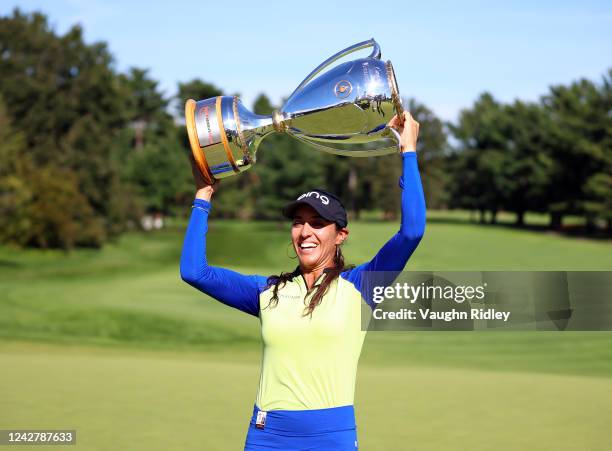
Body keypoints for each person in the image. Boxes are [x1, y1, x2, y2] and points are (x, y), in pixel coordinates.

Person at [180, 112, 426, 450]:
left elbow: (412, 231)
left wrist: (408, 151)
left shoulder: (361, 286)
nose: (305, 231)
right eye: (298, 222)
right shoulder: (268, 292)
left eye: (318, 222)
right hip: (267, 435)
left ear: (341, 235)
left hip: (331, 437)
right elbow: (195, 271)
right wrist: (203, 195)